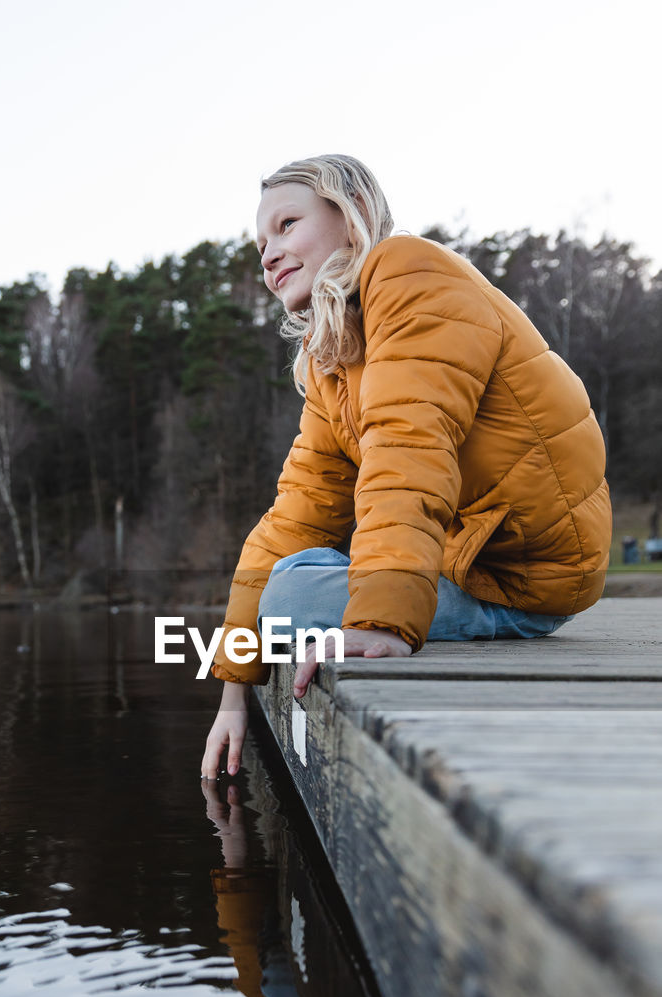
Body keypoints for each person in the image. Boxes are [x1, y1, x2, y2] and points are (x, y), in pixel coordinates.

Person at [201, 155, 611, 779]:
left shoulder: (410, 274)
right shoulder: (331, 358)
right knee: (289, 572)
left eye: (287, 225)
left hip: (526, 574)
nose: (269, 252)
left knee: (288, 594)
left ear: (353, 216)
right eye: (261, 242)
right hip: (464, 559)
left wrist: (380, 623)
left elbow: (410, 451)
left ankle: (424, 609)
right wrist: (233, 692)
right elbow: (297, 513)